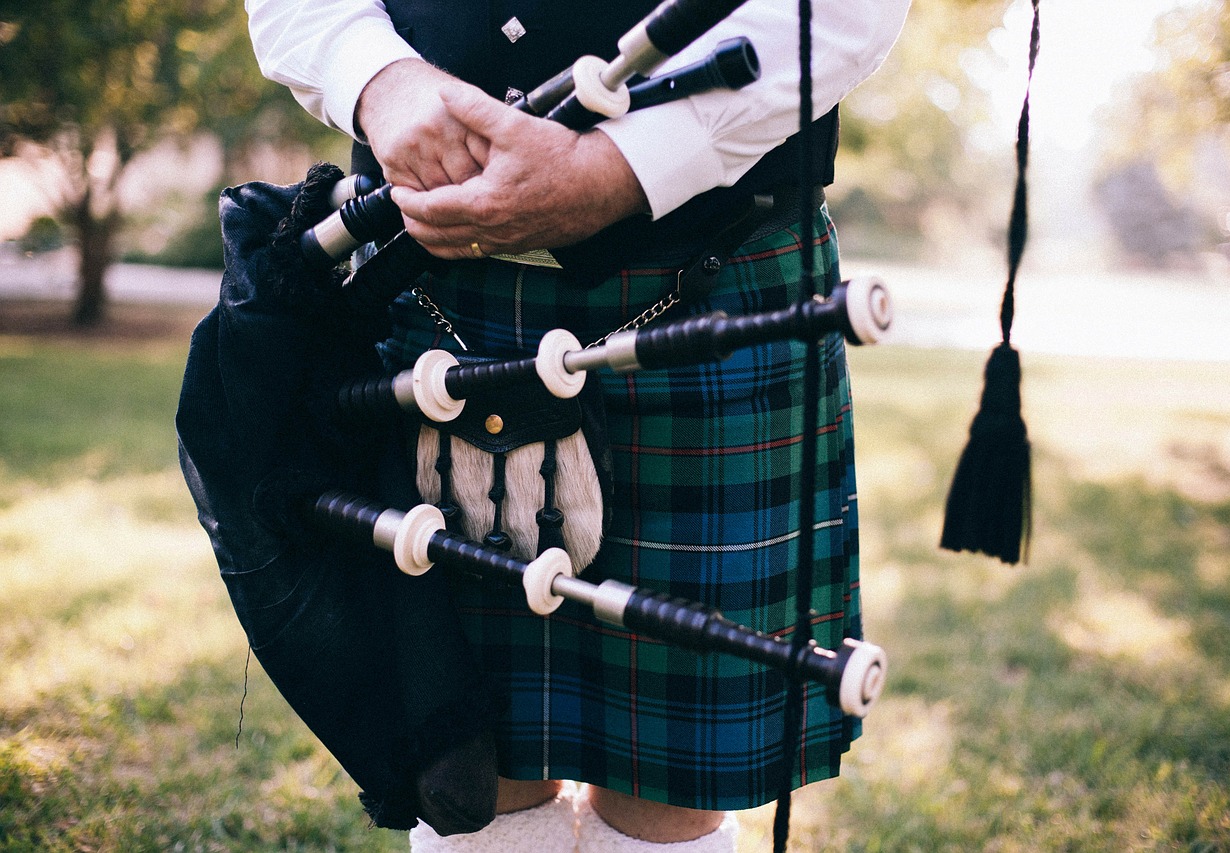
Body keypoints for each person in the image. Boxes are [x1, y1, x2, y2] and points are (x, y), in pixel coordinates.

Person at [242, 0, 909, 850]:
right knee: (471, 762)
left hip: (713, 270)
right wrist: (381, 77)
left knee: (675, 787)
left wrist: (623, 167)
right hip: (429, 286)